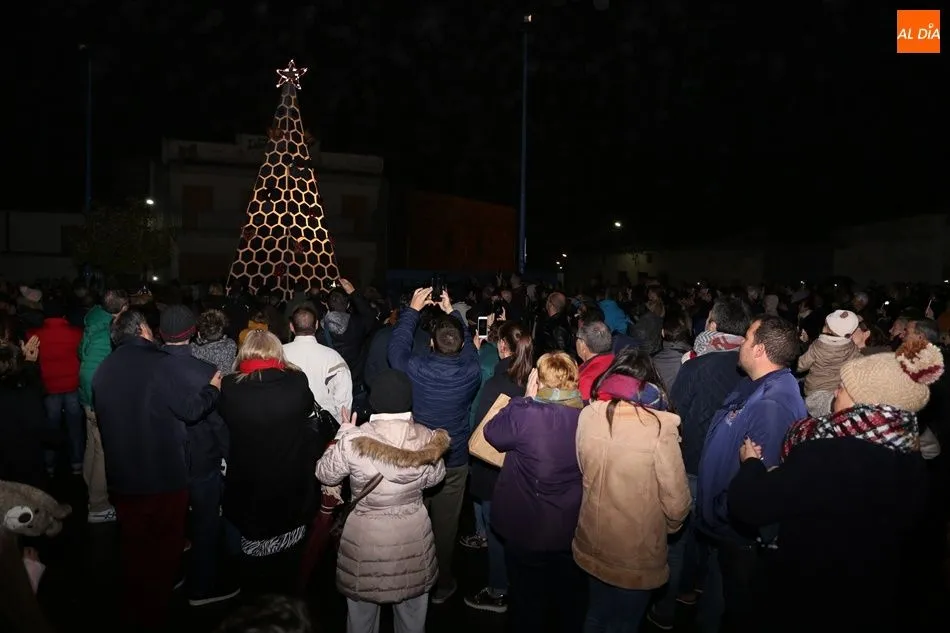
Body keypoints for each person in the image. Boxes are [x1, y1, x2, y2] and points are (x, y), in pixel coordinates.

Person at [728, 340, 941, 633]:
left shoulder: (827, 455)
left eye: (843, 388)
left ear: (866, 401)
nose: (835, 392)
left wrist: (751, 465)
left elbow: (749, 505)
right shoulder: (911, 458)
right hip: (872, 602)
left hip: (811, 596)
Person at [93, 310, 222, 630]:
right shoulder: (159, 365)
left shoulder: (104, 369)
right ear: (141, 330)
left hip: (123, 477)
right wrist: (214, 388)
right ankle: (156, 613)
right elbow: (191, 411)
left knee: (135, 548)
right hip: (163, 474)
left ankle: (138, 608)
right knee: (165, 547)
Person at [695, 315, 806, 633]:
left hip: (737, 535)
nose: (740, 344)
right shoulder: (757, 387)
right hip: (727, 530)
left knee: (736, 613)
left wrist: (719, 511)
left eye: (746, 338)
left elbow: (759, 484)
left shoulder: (772, 406)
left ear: (759, 350)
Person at [316, 369, 449, 633]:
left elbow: (324, 472)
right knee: (412, 621)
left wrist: (342, 434)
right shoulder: (426, 439)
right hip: (412, 539)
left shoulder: (354, 440)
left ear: (373, 401)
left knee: (360, 621)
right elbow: (435, 478)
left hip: (364, 543)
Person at [574, 350, 690, 633]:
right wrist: (667, 529)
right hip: (635, 554)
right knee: (624, 623)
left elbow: (582, 467)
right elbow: (677, 504)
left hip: (593, 537)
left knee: (595, 615)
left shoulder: (589, 415)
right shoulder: (658, 428)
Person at [388, 286, 480, 603]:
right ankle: (442, 583)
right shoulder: (471, 370)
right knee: (446, 526)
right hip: (454, 459)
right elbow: (468, 346)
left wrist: (412, 310)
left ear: (431, 344)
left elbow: (395, 351)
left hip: (420, 456)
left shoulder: (417, 367)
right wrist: (453, 312)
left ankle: (413, 580)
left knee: (415, 521)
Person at [484, 352, 586, 633]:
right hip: (569, 525)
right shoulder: (587, 415)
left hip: (526, 524)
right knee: (563, 600)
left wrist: (524, 398)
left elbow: (492, 433)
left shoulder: (527, 413)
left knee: (527, 601)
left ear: (538, 381)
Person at [218, 330, 318, 596]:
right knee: (290, 560)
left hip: (248, 483)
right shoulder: (296, 382)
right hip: (290, 481)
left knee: (252, 565)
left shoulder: (229, 387)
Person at [78, 288, 128, 523]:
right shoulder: (105, 333)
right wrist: (98, 402)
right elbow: (91, 371)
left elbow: (81, 353)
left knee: (92, 445)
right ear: (122, 308)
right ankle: (98, 505)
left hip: (87, 398)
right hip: (96, 399)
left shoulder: (93, 322)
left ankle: (90, 487)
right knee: (102, 451)